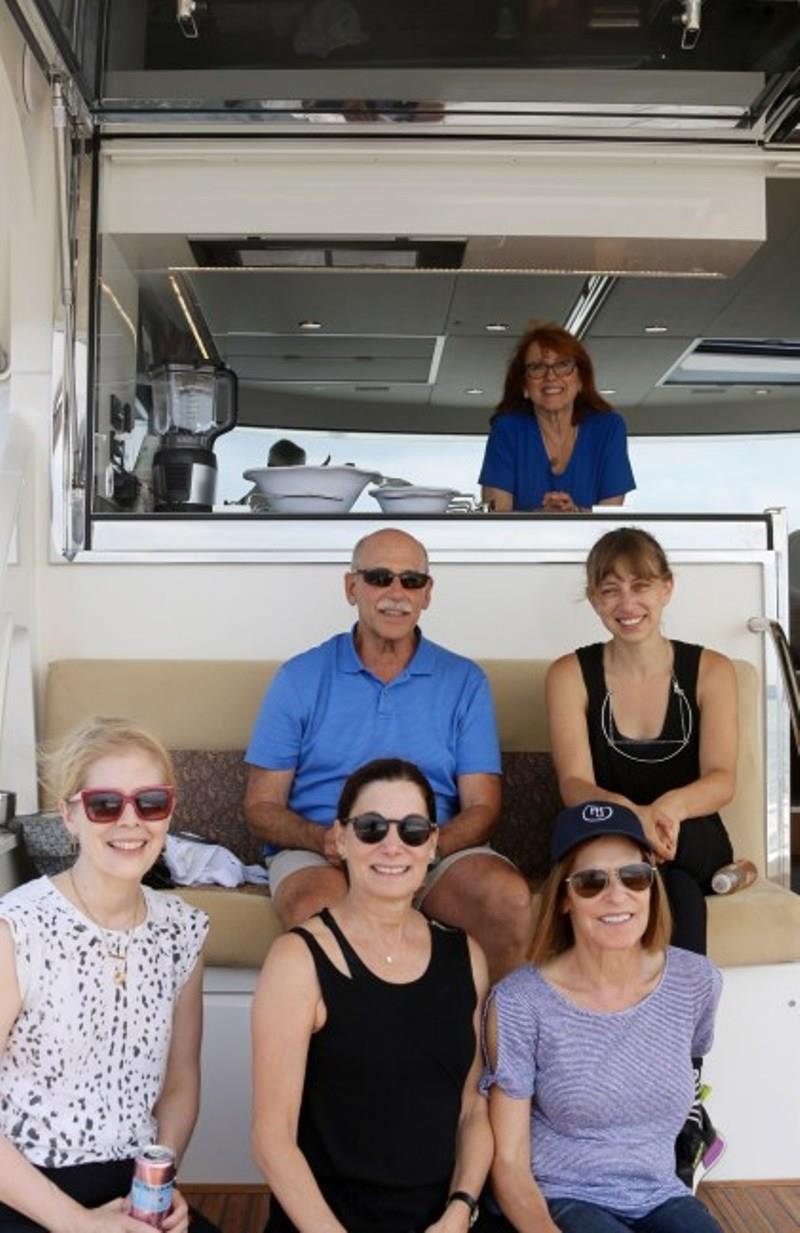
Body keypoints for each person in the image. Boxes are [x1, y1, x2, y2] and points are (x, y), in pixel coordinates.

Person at [244, 526, 532, 979]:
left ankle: (489, 1046)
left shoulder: (464, 681)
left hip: (431, 848)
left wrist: (424, 848)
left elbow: (483, 807)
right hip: (327, 849)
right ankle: (348, 1049)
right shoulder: (299, 677)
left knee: (506, 898)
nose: (396, 593)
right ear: (351, 586)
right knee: (315, 905)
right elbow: (261, 806)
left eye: (411, 580)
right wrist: (325, 840)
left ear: (427, 593)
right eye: (380, 577)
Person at [546, 527, 736, 1183]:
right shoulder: (569, 672)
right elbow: (573, 783)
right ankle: (675, 1099)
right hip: (605, 825)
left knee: (675, 876)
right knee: (672, 893)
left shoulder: (711, 669)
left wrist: (670, 809)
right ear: (595, 599)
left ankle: (678, 1094)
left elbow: (721, 777)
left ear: (667, 588)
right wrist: (632, 821)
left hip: (689, 827)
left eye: (641, 584)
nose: (628, 601)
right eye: (610, 588)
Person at [251, 757, 493, 1233]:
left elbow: (473, 1109)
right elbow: (271, 1140)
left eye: (413, 829)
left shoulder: (467, 956)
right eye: (371, 827)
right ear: (340, 839)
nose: (392, 845)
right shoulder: (297, 962)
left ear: (433, 844)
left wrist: (460, 1210)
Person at [0, 718, 216, 1233]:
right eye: (104, 804)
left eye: (150, 802)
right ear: (69, 816)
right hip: (23, 1188)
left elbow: (180, 1084)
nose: (129, 821)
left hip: (131, 1185)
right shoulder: (17, 928)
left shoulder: (182, 931)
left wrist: (158, 1189)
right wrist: (78, 1224)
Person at [482, 801, 724, 1233]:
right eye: (592, 882)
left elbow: (688, 1058)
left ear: (652, 885)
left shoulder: (695, 981)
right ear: (563, 900)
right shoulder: (520, 1002)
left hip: (659, 1192)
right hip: (561, 1195)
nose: (617, 895)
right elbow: (510, 1160)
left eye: (634, 876)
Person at [479, 324, 635, 512]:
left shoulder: (609, 427)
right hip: (520, 542)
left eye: (562, 365)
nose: (551, 376)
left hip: (594, 542)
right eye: (537, 367)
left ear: (581, 379)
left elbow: (610, 516)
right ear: (524, 385)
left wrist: (575, 513)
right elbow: (497, 516)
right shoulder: (507, 429)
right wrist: (541, 517)